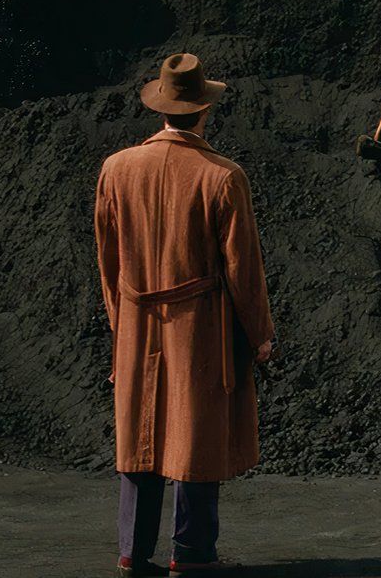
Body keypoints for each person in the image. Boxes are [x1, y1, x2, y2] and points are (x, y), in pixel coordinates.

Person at [95, 53, 276, 576]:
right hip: (198, 326)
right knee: (194, 433)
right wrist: (259, 334)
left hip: (135, 319)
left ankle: (133, 552)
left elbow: (108, 262)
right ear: (204, 111)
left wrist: (121, 323)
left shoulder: (116, 168)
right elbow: (244, 268)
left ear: (162, 108)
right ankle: (192, 555)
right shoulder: (222, 176)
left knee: (140, 434)